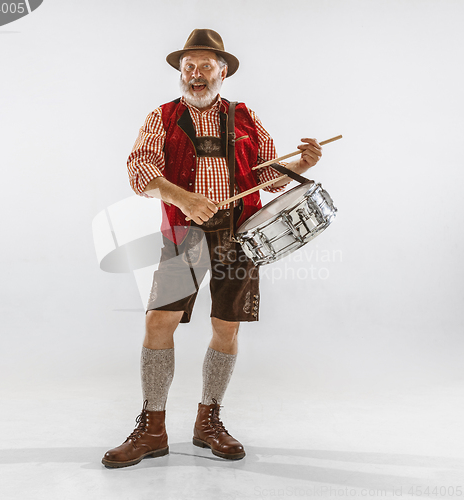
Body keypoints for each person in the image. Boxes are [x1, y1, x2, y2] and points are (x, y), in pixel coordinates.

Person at [102, 29, 322, 468]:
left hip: (240, 237)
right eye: (188, 67)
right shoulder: (162, 117)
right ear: (181, 72)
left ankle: (208, 422)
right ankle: (153, 428)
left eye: (205, 66)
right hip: (184, 234)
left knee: (226, 327)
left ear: (223, 71)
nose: (195, 74)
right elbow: (139, 169)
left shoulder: (245, 117)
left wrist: (302, 163)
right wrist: (184, 198)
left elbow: (269, 174)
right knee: (159, 322)